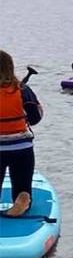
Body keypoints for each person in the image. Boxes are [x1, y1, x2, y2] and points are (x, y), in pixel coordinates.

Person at [0, 51, 43, 217]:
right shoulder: (23, 90)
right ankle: (23, 197)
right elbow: (34, 119)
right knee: (22, 185)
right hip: (22, 147)